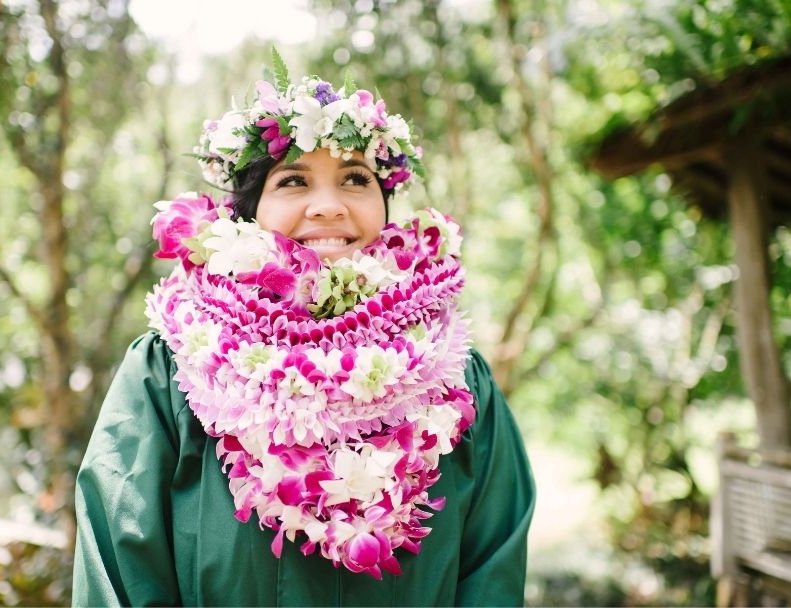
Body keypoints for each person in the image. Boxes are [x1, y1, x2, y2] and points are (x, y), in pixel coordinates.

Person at [72, 55, 535, 607]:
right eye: (293, 181)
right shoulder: (169, 373)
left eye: (355, 179)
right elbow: (121, 570)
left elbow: (492, 573)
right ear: (248, 214)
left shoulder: (457, 378)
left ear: (386, 207)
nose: (328, 207)